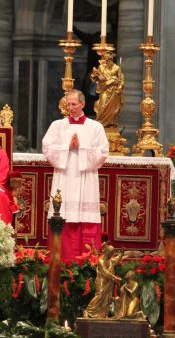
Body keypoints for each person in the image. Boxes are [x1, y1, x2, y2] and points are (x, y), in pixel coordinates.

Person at [42, 89, 109, 262]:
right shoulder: (57, 126)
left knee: (85, 218)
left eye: (73, 104)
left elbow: (103, 151)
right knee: (62, 214)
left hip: (86, 180)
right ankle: (61, 259)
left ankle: (86, 261)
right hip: (64, 178)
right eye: (68, 104)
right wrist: (67, 148)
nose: (70, 108)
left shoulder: (96, 127)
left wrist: (81, 147)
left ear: (83, 104)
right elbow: (47, 148)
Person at [83, 244, 123, 318]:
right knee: (99, 296)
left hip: (109, 282)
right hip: (101, 281)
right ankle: (89, 311)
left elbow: (117, 259)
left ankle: (102, 314)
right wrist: (114, 277)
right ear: (108, 252)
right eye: (111, 253)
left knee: (107, 298)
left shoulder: (111, 260)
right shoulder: (101, 261)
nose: (112, 254)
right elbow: (105, 272)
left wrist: (121, 253)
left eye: (112, 253)